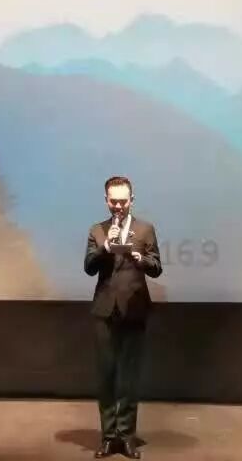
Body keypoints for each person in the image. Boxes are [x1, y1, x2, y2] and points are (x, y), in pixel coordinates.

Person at [83, 175, 162, 459]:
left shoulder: (145, 229)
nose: (118, 206)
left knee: (129, 377)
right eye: (113, 201)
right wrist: (106, 247)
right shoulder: (97, 230)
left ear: (132, 199)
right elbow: (89, 267)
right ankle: (108, 437)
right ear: (106, 200)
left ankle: (127, 436)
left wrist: (142, 259)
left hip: (135, 309)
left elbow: (157, 267)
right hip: (105, 311)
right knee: (106, 376)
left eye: (123, 201)